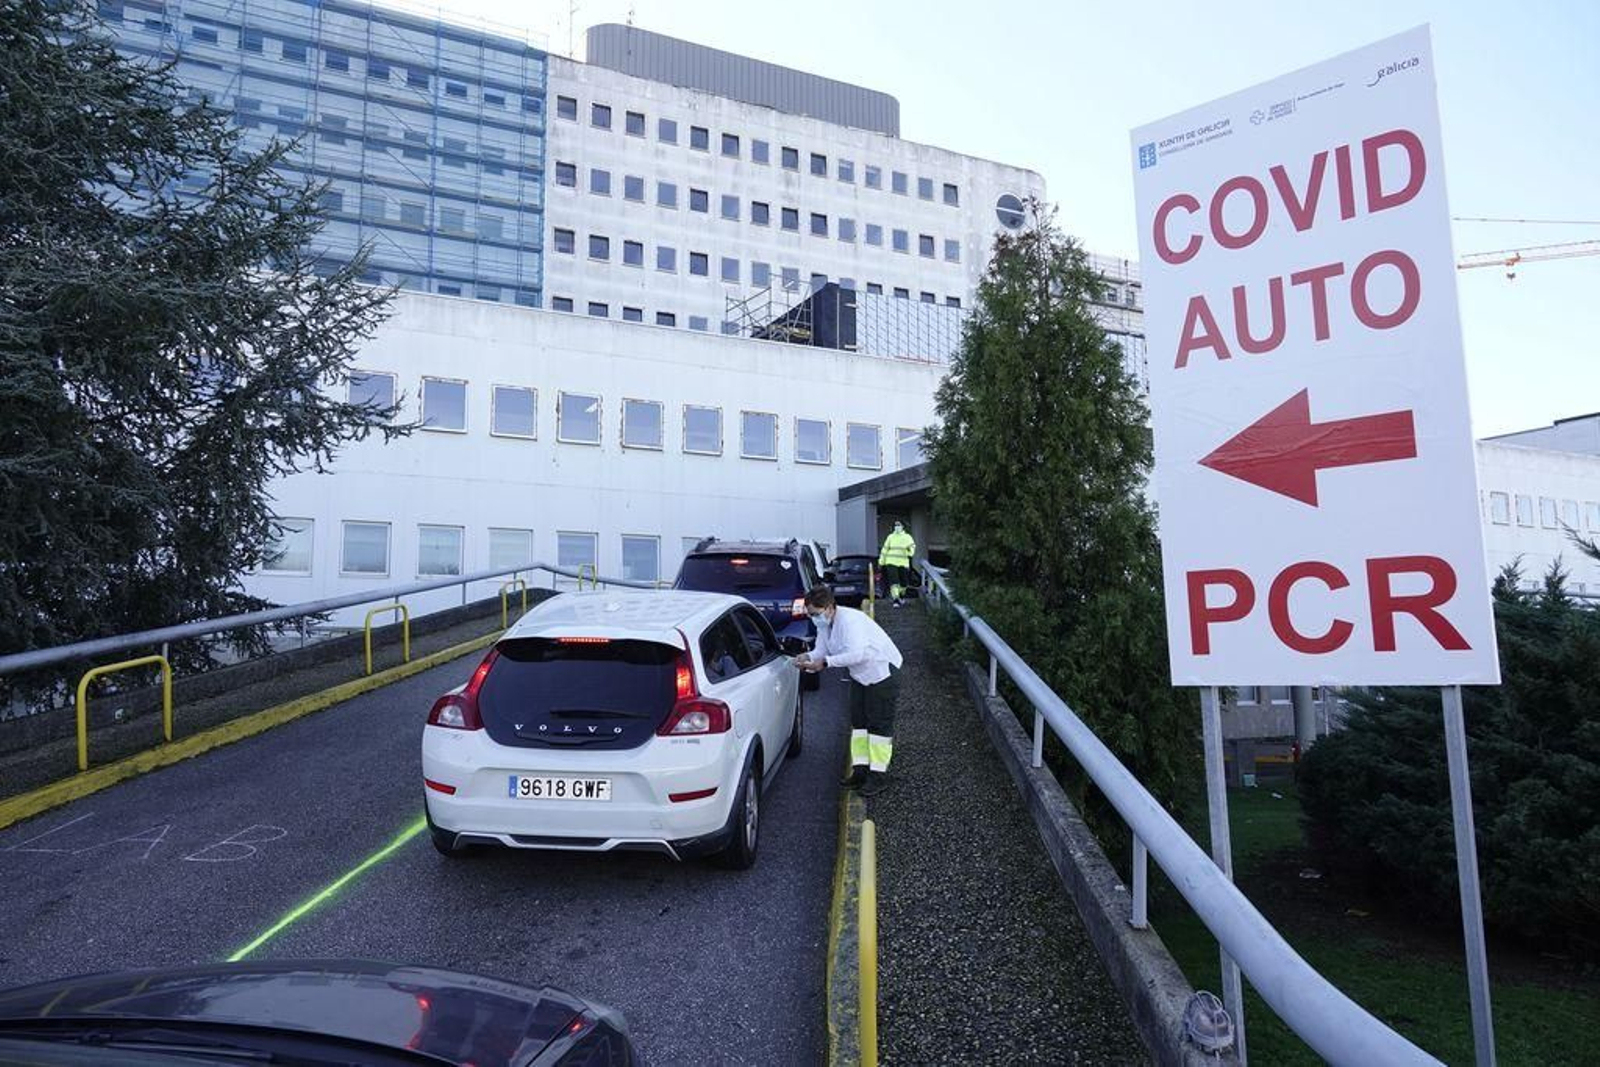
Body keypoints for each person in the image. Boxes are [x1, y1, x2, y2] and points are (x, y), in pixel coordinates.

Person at [793, 585, 903, 796]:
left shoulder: (850, 621)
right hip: (861, 676)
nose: (813, 619)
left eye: (815, 614)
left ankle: (878, 777)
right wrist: (807, 657)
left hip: (882, 672)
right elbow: (821, 650)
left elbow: (857, 654)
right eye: (810, 615)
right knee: (859, 722)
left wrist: (825, 663)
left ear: (829, 607)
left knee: (878, 726)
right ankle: (860, 772)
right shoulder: (825, 624)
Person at [878, 520, 916, 608]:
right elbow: (884, 550)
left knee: (904, 583)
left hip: (903, 563)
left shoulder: (907, 537)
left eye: (899, 525)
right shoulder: (890, 537)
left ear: (903, 526)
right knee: (894, 582)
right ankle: (896, 599)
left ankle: (901, 595)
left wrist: (909, 553)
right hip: (890, 562)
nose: (897, 526)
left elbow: (912, 548)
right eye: (895, 525)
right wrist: (881, 562)